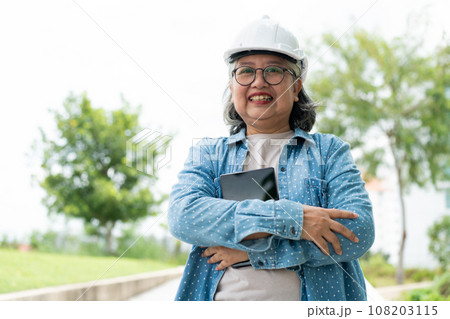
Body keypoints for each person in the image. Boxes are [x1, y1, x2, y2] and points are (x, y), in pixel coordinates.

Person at [168, 16, 375, 301]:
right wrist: (296, 219)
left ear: (296, 86)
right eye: (246, 71)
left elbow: (358, 231)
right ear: (232, 85)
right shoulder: (208, 154)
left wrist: (253, 250)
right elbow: (184, 216)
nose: (259, 82)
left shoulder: (329, 152)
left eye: (274, 71)